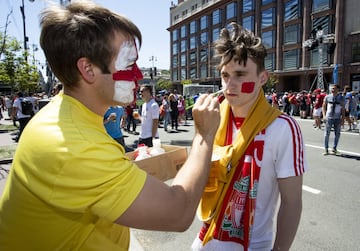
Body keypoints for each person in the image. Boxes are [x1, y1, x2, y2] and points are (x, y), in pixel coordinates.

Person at [0, 1, 221, 250]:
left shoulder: (70, 115)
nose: (138, 75)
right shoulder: (74, 145)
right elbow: (178, 213)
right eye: (128, 65)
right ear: (87, 69)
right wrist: (203, 134)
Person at [192, 22, 307, 251]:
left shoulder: (283, 127)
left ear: (263, 78)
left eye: (240, 74)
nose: (229, 85)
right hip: (204, 239)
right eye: (225, 75)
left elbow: (292, 203)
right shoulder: (212, 117)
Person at [322, 84, 345, 155]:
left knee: (337, 134)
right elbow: (323, 106)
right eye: (332, 89)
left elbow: (343, 109)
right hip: (329, 118)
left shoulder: (341, 98)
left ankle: (334, 148)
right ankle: (326, 149)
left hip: (337, 118)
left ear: (338, 89)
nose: (332, 90)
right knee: (326, 134)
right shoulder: (327, 97)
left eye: (334, 89)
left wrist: (343, 119)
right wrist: (324, 115)